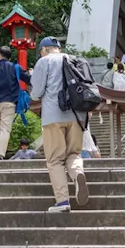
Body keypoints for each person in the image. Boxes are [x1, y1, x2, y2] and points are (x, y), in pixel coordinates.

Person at [31, 36, 89, 213]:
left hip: (53, 116)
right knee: (74, 153)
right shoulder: (73, 59)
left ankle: (63, 202)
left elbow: (36, 93)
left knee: (55, 159)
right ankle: (77, 174)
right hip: (77, 115)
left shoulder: (44, 62)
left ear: (44, 50)